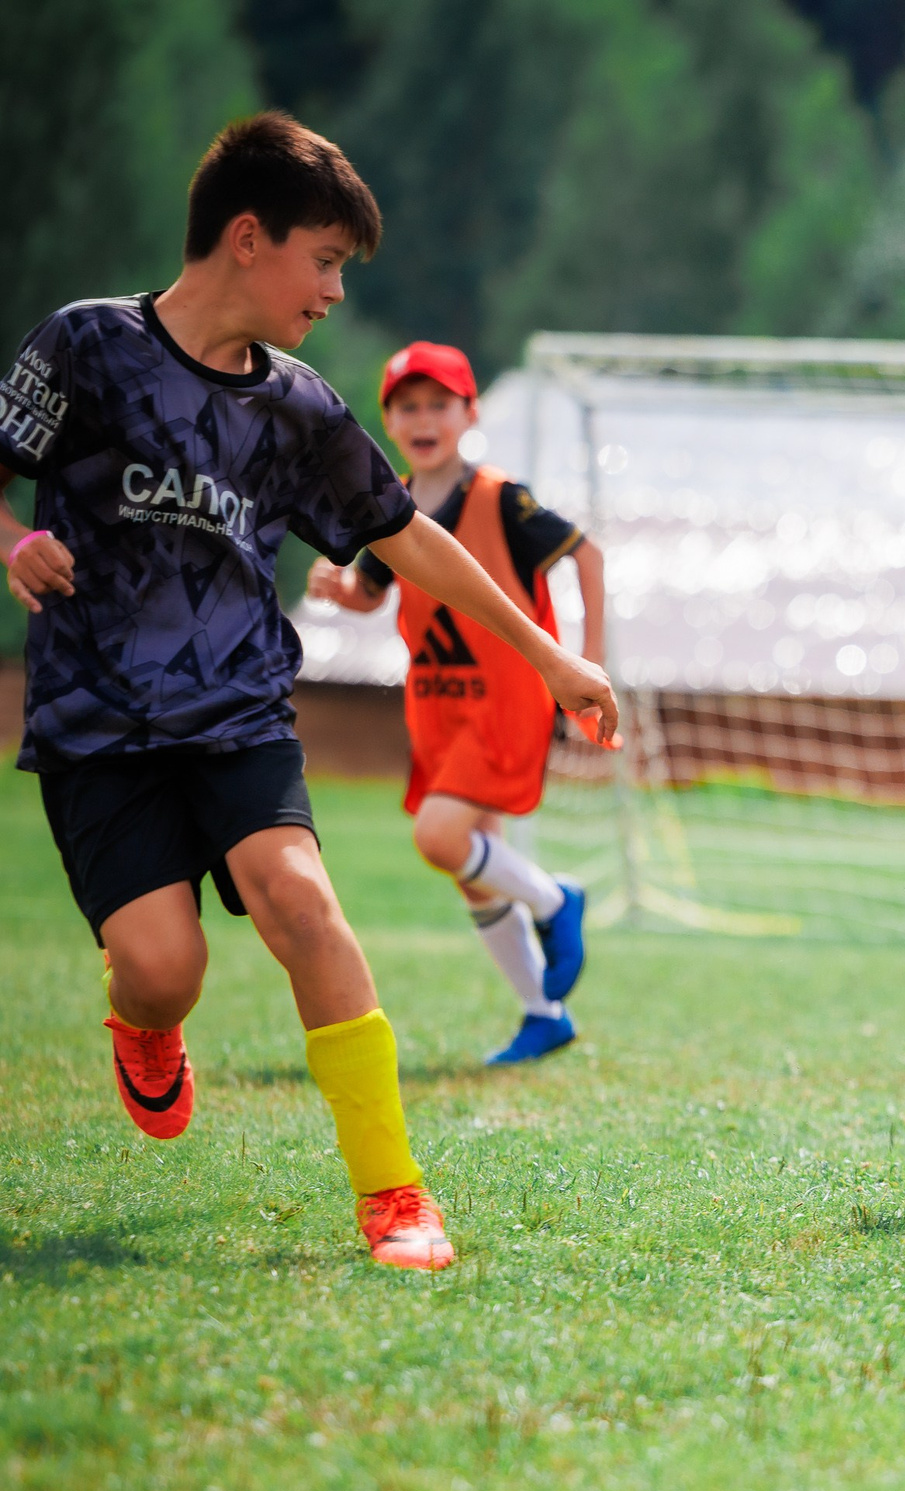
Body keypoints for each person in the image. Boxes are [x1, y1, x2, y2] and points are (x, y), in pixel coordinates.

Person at [0, 113, 617, 1271]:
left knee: (302, 904)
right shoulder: (86, 347)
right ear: (247, 237)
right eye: (323, 260)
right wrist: (7, 538)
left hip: (237, 709)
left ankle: (395, 1195)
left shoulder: (299, 406)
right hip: (98, 724)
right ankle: (142, 1025)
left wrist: (550, 653)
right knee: (163, 970)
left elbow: (413, 542)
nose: (334, 291)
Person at [305, 342, 609, 1066]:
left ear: (470, 412)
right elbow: (373, 595)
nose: (423, 418)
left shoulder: (501, 497)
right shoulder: (392, 504)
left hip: (506, 699)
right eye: (407, 406)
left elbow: (587, 555)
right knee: (473, 867)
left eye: (439, 403)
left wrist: (585, 660)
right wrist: (338, 589)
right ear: (387, 419)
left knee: (441, 838)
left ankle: (556, 900)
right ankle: (545, 1014)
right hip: (439, 704)